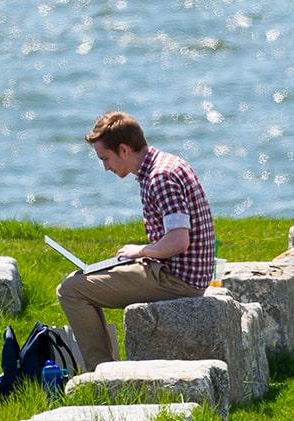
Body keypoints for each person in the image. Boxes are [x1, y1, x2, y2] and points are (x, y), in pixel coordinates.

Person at [57, 111, 217, 372]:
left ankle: (102, 372)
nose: (105, 167)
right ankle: (105, 368)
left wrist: (140, 250)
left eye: (105, 158)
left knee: (71, 290)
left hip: (177, 280)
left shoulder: (160, 178)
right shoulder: (164, 165)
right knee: (86, 276)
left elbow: (179, 241)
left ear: (123, 149)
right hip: (175, 270)